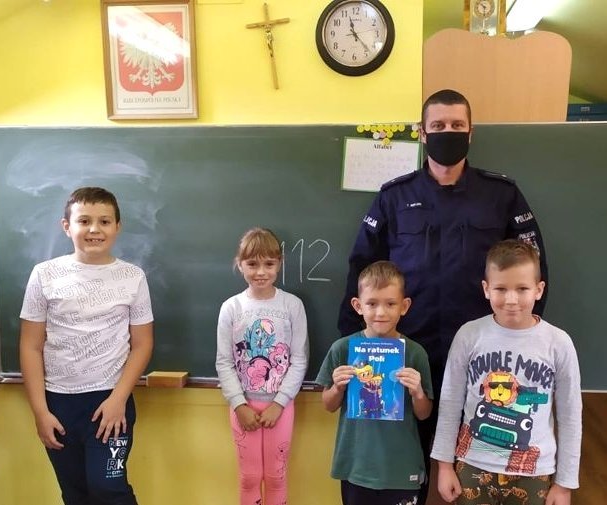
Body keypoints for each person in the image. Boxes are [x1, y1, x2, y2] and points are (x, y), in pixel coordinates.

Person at [337, 88, 548, 501]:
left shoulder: (501, 194)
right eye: (438, 125)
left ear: (471, 132)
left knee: (476, 465)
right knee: (405, 464)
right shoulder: (394, 197)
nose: (447, 132)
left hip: (482, 360)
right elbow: (361, 270)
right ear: (422, 132)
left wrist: (523, 340)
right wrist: (352, 345)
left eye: (456, 125)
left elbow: (533, 266)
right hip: (405, 356)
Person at [20, 187, 154, 505]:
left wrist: (118, 399)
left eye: (104, 221)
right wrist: (40, 411)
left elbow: (142, 344)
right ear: (67, 226)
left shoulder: (132, 277)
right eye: (84, 221)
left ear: (117, 226)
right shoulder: (44, 275)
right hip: (58, 403)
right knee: (75, 493)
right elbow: (30, 346)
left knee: (108, 488)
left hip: (110, 402)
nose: (95, 229)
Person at [431, 240, 581, 505]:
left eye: (522, 288)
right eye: (501, 288)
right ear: (486, 289)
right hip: (472, 464)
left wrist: (565, 484)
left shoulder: (558, 343)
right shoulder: (469, 335)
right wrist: (444, 465)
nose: (511, 300)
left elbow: (570, 416)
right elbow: (450, 402)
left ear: (539, 290)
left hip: (534, 471)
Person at [318, 260, 433, 505]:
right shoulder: (343, 349)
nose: (381, 313)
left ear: (404, 306)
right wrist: (338, 387)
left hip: (401, 468)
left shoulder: (415, 353)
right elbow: (328, 405)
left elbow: (424, 414)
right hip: (357, 467)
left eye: (390, 304)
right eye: (372, 304)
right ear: (358, 306)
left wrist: (418, 393)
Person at [216, 227, 309, 505]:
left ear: (279, 263)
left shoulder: (292, 305)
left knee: (276, 476)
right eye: (252, 264)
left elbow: (299, 359)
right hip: (242, 407)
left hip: (281, 407)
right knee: (249, 477)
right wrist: (239, 405)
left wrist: (279, 403)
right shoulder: (231, 307)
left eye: (269, 264)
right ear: (239, 264)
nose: (261, 272)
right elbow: (224, 361)